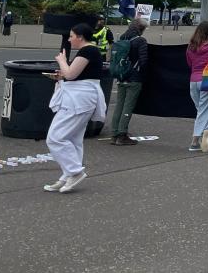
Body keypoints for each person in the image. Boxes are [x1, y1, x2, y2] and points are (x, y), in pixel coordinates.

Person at [43, 23, 108, 193]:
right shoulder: (90, 51)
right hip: (80, 98)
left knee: (55, 137)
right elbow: (74, 74)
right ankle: (68, 174)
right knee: (73, 139)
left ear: (80, 36)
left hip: (78, 100)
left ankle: (74, 172)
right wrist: (62, 74)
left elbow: (71, 74)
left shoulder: (88, 51)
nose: (70, 39)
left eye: (72, 36)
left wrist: (62, 61)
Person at [109, 13, 149, 145]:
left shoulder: (122, 38)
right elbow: (143, 61)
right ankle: (122, 135)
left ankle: (114, 133)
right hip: (134, 78)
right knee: (128, 106)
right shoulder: (140, 41)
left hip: (121, 76)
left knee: (119, 106)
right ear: (141, 29)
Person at [185, 21, 208, 153]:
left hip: (193, 81)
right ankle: (195, 140)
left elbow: (189, 63)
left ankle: (205, 132)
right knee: (205, 111)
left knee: (201, 110)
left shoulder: (191, 46)